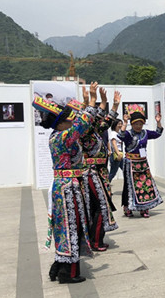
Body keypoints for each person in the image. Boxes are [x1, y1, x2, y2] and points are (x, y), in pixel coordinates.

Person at [32, 84, 99, 284]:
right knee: (71, 226)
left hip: (67, 185)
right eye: (68, 121)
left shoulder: (58, 136)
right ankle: (67, 272)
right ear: (60, 124)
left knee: (66, 227)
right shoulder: (62, 137)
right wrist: (91, 101)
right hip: (67, 188)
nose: (71, 123)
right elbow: (81, 124)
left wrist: (85, 104)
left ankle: (59, 265)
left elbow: (79, 124)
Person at [77, 87, 121, 252]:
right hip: (91, 173)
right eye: (94, 118)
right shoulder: (84, 132)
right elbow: (92, 117)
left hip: (100, 172)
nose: (98, 119)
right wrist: (93, 100)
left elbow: (107, 121)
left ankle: (96, 239)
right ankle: (95, 241)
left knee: (99, 207)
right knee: (101, 206)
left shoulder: (95, 131)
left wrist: (112, 104)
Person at [120, 105, 164, 218]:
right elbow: (121, 135)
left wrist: (158, 122)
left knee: (145, 185)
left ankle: (144, 208)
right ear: (132, 124)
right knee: (129, 186)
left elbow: (158, 133)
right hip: (130, 164)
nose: (138, 126)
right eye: (136, 124)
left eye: (140, 124)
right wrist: (124, 123)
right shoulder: (128, 134)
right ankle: (127, 207)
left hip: (143, 163)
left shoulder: (145, 133)